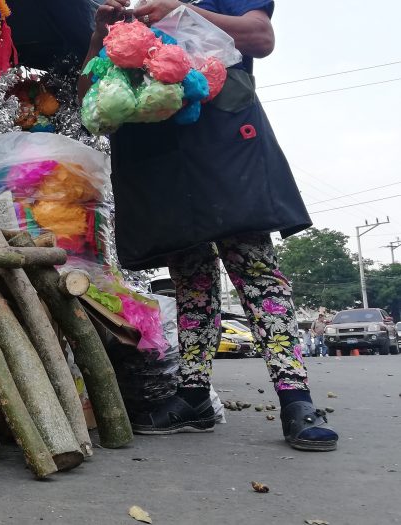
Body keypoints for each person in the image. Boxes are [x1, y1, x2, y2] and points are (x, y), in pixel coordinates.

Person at [80, 0, 338, 451]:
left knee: (253, 268)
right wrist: (99, 36)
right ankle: (194, 396)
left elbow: (260, 37)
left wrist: (181, 11)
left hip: (224, 141)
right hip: (156, 154)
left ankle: (296, 399)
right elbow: (88, 95)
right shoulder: (121, 9)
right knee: (189, 277)